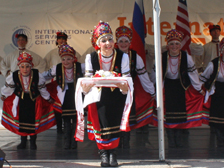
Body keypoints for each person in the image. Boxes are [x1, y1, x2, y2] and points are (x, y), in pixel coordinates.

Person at [80, 21, 131, 167]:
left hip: (116, 96)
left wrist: (122, 84)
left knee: (115, 123)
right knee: (101, 125)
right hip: (98, 96)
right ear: (98, 43)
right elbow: (88, 79)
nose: (108, 43)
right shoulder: (91, 58)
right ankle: (103, 153)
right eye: (103, 40)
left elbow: (127, 79)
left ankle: (113, 154)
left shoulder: (123, 57)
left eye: (110, 39)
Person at [157, 29, 205, 148]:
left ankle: (178, 139)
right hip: (167, 87)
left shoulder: (186, 56)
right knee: (167, 114)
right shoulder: (162, 56)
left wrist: (199, 89)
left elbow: (193, 74)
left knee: (180, 114)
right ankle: (170, 140)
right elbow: (156, 74)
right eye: (172, 44)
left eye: (177, 44)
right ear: (168, 45)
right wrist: (154, 90)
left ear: (180, 45)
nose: (174, 46)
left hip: (180, 87)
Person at [0, 52, 56, 150]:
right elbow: (8, 88)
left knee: (33, 121)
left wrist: (48, 98)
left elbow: (42, 89)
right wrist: (4, 95)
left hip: (34, 101)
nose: (25, 69)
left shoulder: (37, 75)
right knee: (22, 121)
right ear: (19, 67)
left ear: (31, 66)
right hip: (21, 101)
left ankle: (33, 142)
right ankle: (23, 142)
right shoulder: (14, 75)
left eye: (27, 67)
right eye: (22, 66)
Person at [115, 26, 155, 148]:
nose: (123, 44)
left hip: (128, 93)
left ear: (130, 42)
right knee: (115, 117)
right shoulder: (112, 55)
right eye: (121, 41)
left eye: (126, 41)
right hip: (113, 92)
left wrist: (152, 92)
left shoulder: (135, 57)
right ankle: (115, 143)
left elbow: (143, 77)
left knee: (126, 117)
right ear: (116, 42)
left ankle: (125, 143)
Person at [43, 44, 84, 149]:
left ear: (73, 59)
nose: (66, 62)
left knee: (75, 118)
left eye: (69, 59)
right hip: (64, 94)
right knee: (65, 118)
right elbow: (44, 76)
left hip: (76, 94)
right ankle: (66, 141)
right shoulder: (56, 68)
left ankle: (74, 141)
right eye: (64, 59)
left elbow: (91, 73)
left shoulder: (80, 66)